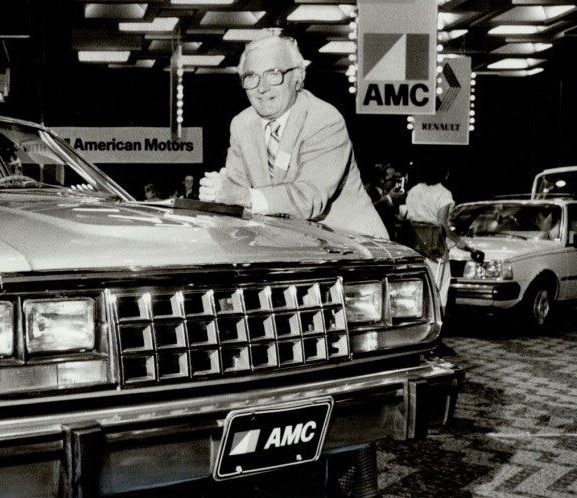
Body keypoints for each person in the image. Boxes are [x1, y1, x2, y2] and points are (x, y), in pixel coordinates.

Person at [199, 35, 388, 239]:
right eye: (251, 76)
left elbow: (308, 199)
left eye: (273, 74)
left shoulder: (324, 119)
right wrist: (219, 191)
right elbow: (235, 193)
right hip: (292, 245)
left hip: (355, 245)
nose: (262, 88)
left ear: (297, 77)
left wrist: (240, 195)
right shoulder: (241, 124)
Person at [400, 160, 474, 312]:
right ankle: (438, 319)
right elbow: (442, 225)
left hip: (416, 244)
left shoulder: (413, 191)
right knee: (440, 286)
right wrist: (458, 241)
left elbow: (408, 216)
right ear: (445, 175)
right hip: (435, 246)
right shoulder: (443, 194)